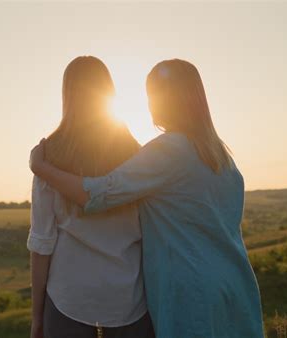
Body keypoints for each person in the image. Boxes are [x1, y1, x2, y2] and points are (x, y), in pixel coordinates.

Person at [30, 59, 265, 338]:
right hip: (235, 284)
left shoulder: (168, 151)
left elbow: (99, 193)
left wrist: (43, 169)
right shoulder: (223, 158)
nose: (149, 104)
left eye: (152, 94)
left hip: (189, 292)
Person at [27, 56, 154, 338]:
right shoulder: (138, 155)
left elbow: (42, 243)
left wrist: (37, 318)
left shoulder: (49, 157)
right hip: (129, 301)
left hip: (68, 301)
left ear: (67, 95)